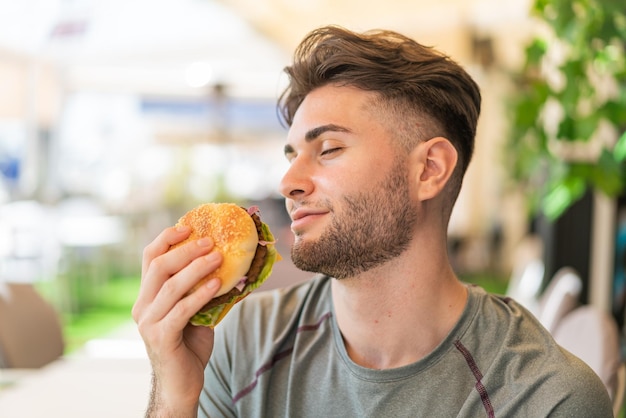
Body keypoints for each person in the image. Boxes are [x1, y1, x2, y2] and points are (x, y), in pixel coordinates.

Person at [132, 25, 613, 417]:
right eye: (292, 154)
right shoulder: (242, 344)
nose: (288, 183)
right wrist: (174, 397)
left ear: (429, 170)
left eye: (330, 149)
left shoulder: (544, 398)